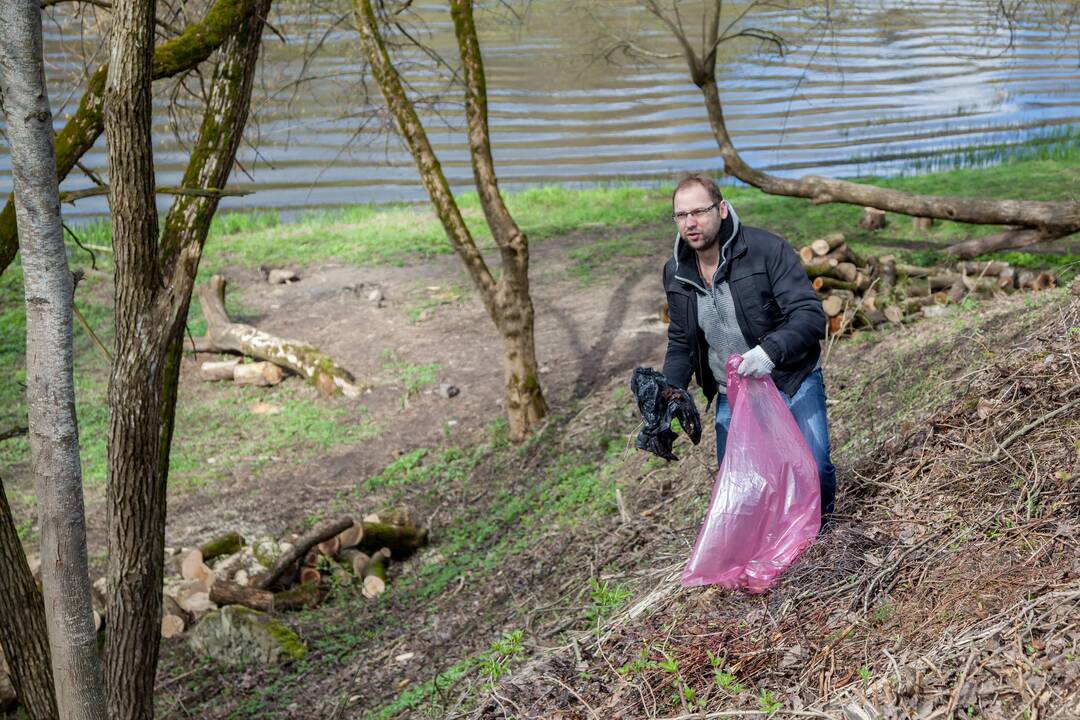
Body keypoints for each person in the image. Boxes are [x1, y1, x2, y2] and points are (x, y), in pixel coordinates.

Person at [661, 173, 837, 520]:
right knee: (740, 490)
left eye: (700, 212)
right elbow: (681, 341)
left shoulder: (766, 250)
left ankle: (821, 540)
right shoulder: (676, 272)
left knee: (814, 469)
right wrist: (669, 392)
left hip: (791, 378)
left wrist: (769, 352)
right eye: (682, 215)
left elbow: (810, 316)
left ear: (722, 209)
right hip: (734, 393)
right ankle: (768, 549)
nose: (691, 223)